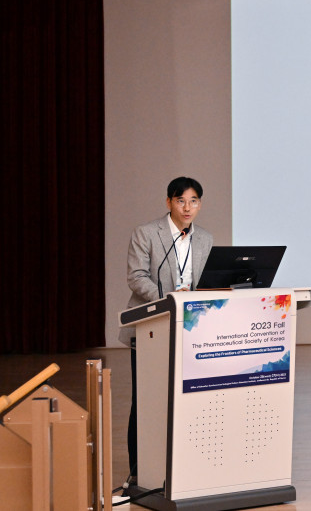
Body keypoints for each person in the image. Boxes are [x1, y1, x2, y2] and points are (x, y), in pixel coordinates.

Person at [118, 176, 214, 490]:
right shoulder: (146, 233)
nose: (187, 207)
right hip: (151, 328)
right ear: (169, 202)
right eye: (181, 200)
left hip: (190, 331)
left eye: (193, 201)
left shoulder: (205, 239)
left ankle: (184, 468)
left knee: (188, 399)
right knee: (145, 401)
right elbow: (137, 277)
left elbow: (204, 283)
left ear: (199, 204)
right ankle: (138, 472)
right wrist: (168, 299)